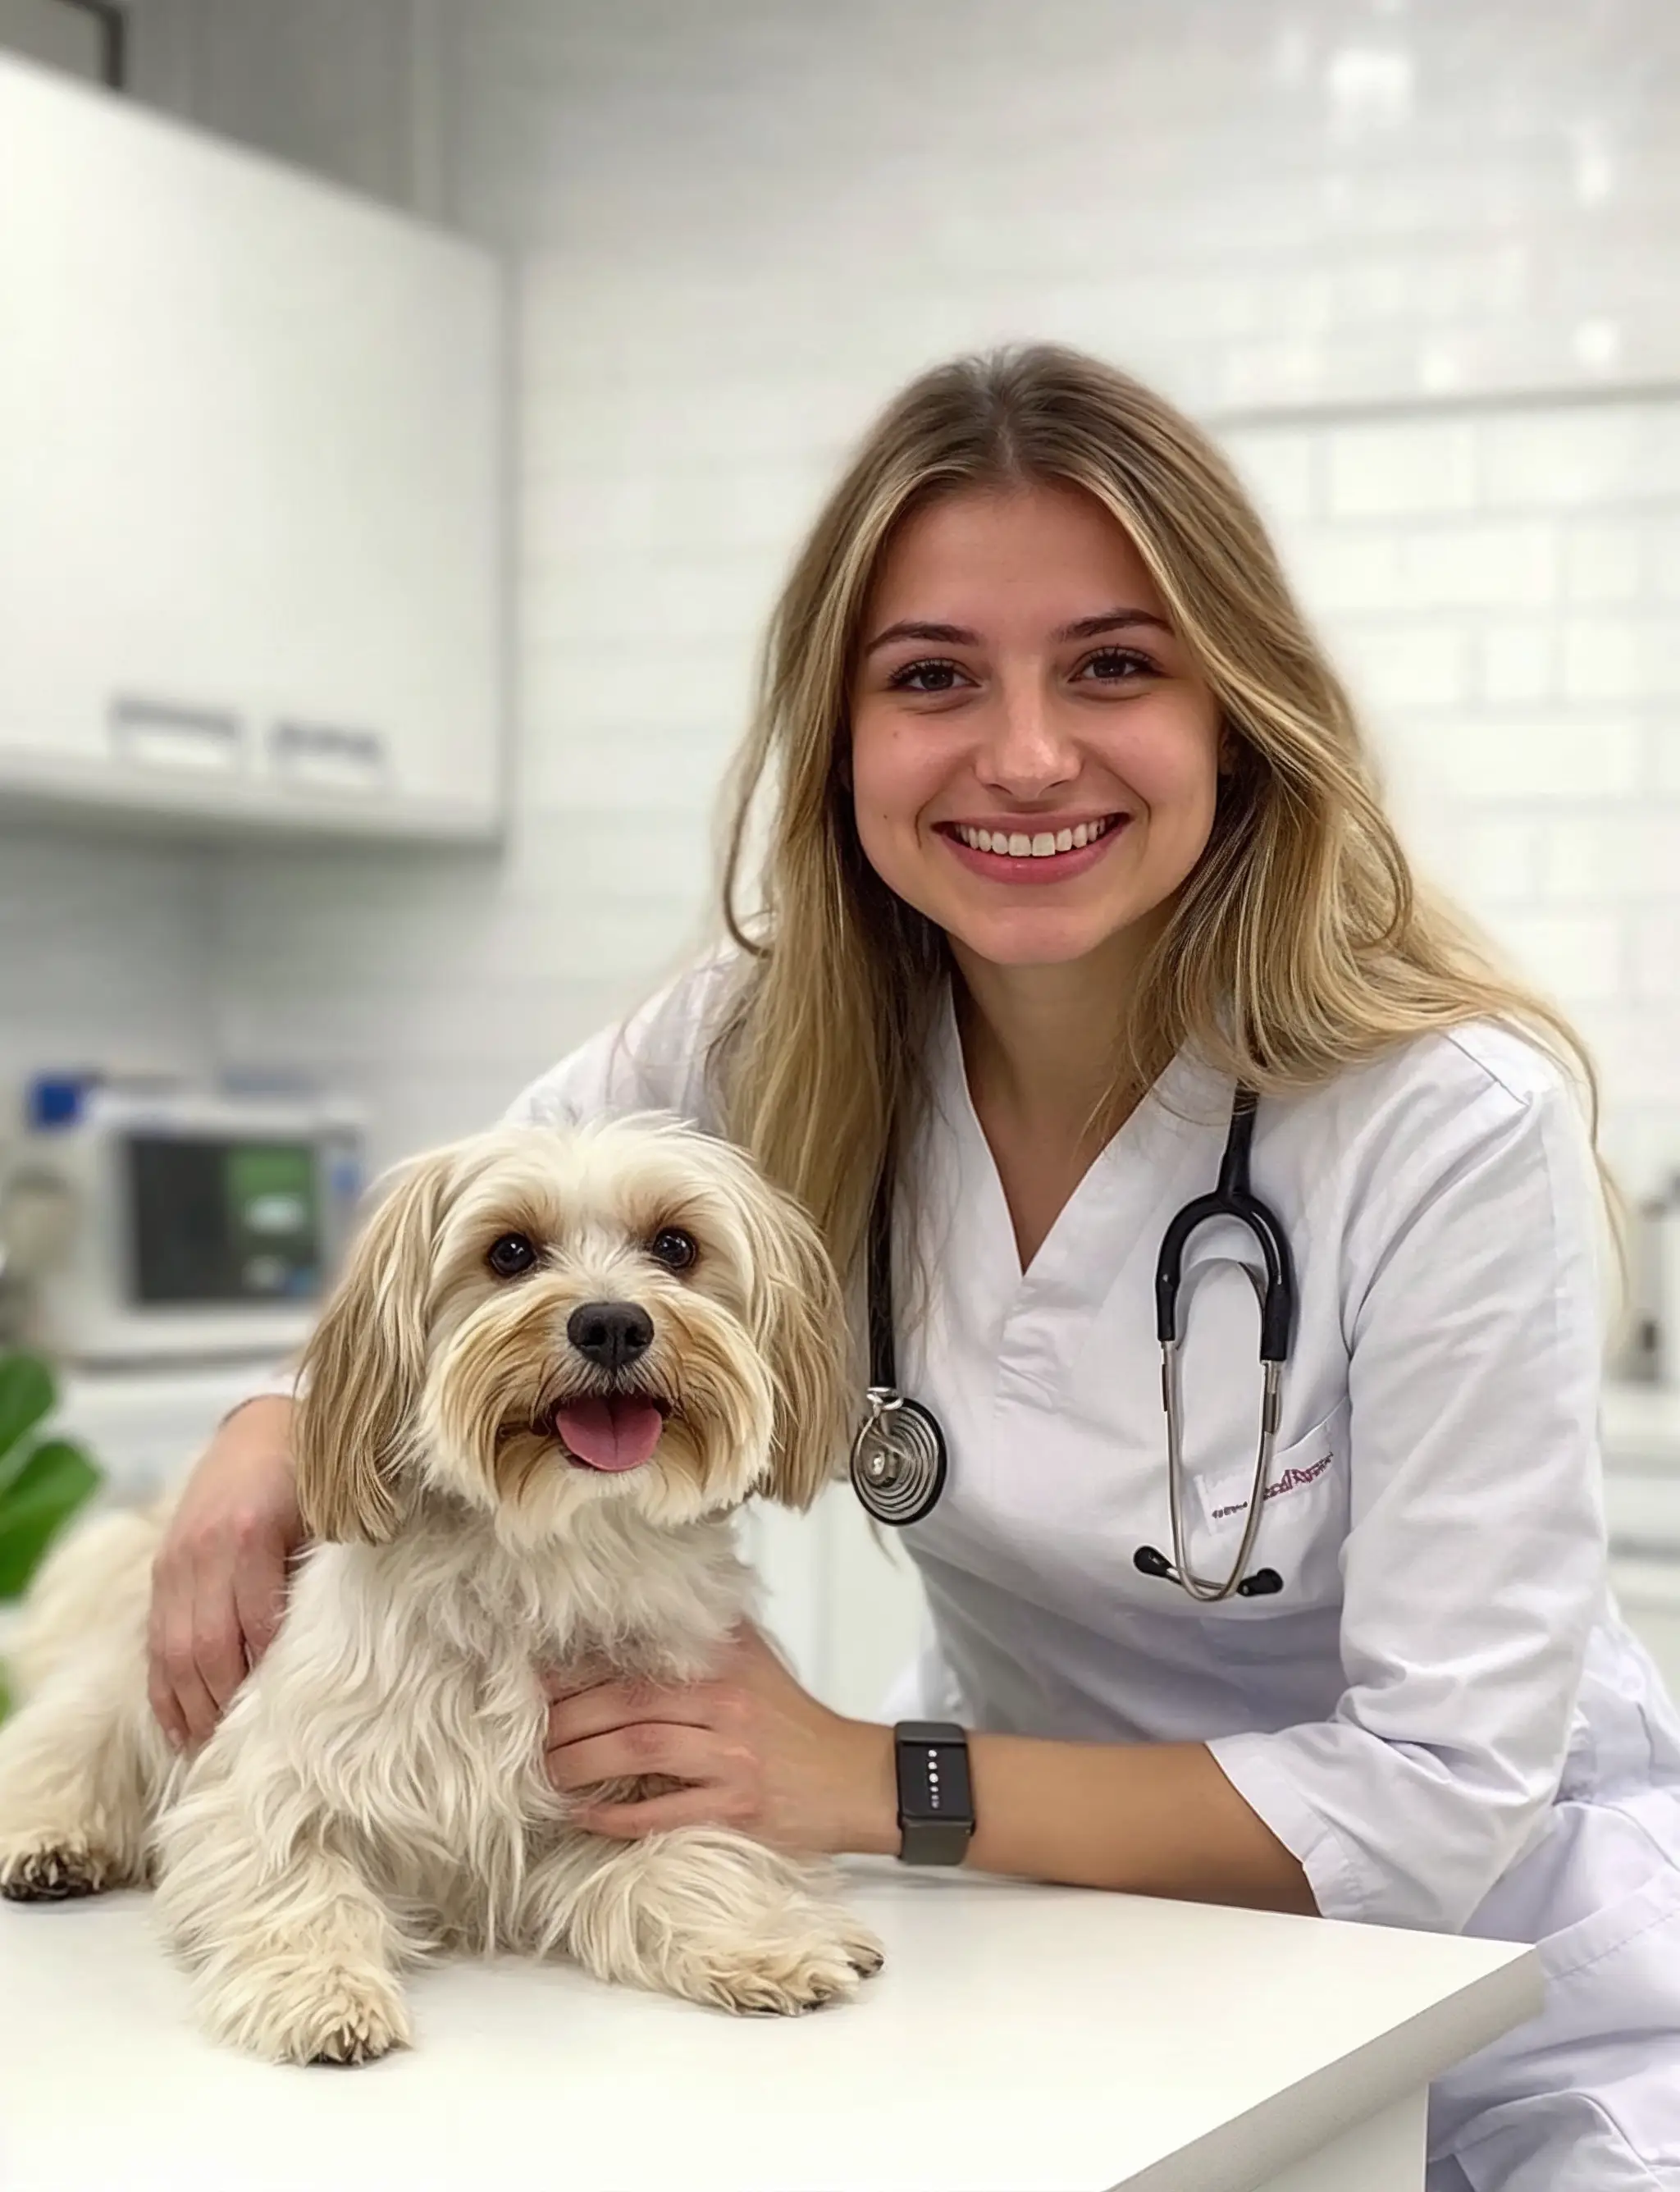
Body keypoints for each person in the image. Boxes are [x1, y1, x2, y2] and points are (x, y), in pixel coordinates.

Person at [148, 347, 1680, 2190]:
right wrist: (267, 1424)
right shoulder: (749, 1042)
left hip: (1518, 1990)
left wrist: (877, 1779)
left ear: (1235, 709)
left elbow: (1435, 1794)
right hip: (1073, 1931)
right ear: (842, 732)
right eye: (933, 678)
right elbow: (471, 1270)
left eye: (1113, 664)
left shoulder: (1440, 1120)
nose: (1024, 754)